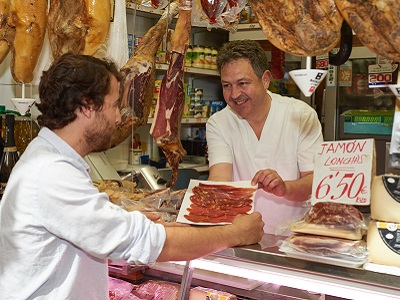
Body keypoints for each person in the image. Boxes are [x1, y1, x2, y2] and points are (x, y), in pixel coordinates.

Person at [0, 53, 264, 299]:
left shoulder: (51, 160)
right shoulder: (52, 172)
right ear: (87, 106)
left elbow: (91, 230)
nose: (118, 118)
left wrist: (126, 221)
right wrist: (234, 234)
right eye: (115, 105)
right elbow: (151, 244)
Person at [206, 40, 323, 235]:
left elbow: (315, 181)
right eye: (227, 85)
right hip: (241, 237)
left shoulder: (300, 115)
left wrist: (284, 188)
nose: (235, 94)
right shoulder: (219, 123)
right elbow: (219, 178)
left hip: (293, 238)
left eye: (243, 83)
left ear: (265, 79)